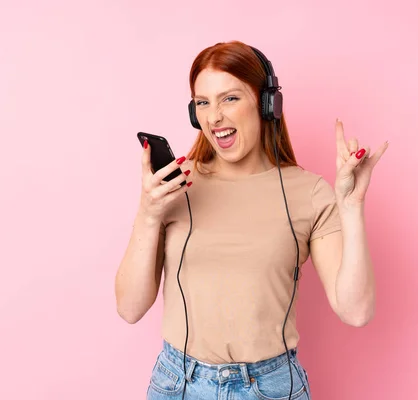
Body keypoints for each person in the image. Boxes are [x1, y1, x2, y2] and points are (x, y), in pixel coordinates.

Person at [115, 40, 389, 399]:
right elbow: (129, 308)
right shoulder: (174, 187)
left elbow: (355, 311)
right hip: (178, 384)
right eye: (203, 102)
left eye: (230, 98)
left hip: (270, 388)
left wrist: (351, 208)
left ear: (266, 104)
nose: (214, 117)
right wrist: (149, 215)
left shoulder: (309, 193)